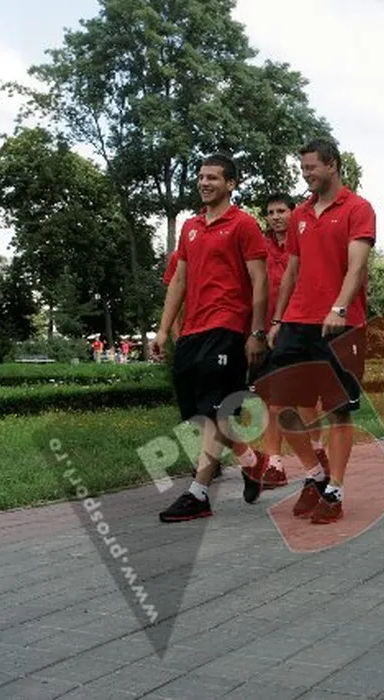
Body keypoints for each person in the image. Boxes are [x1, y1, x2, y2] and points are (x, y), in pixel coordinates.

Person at [257, 139, 375, 525]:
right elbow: (292, 270)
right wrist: (278, 320)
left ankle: (335, 490)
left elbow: (356, 266)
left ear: (333, 165)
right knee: (280, 405)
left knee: (338, 411)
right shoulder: (301, 215)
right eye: (303, 169)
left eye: (311, 168)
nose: (306, 175)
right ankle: (314, 474)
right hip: (297, 321)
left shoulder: (358, 208)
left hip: (341, 324)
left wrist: (339, 307)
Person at [152, 153, 268, 522]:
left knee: (216, 410)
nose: (204, 182)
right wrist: (163, 329)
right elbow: (179, 281)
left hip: (228, 326)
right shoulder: (190, 227)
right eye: (201, 177)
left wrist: (257, 331)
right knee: (199, 414)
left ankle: (199, 494)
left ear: (230, 184)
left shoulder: (244, 225)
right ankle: (251, 460)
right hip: (192, 331)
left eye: (213, 177)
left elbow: (260, 281)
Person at [235, 193, 304, 498]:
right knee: (267, 400)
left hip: (296, 328)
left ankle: (293, 458)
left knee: (288, 399)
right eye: (271, 212)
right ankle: (274, 462)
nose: (276, 217)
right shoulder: (259, 247)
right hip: (263, 331)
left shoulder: (303, 245)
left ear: (293, 213)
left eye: (281, 211)